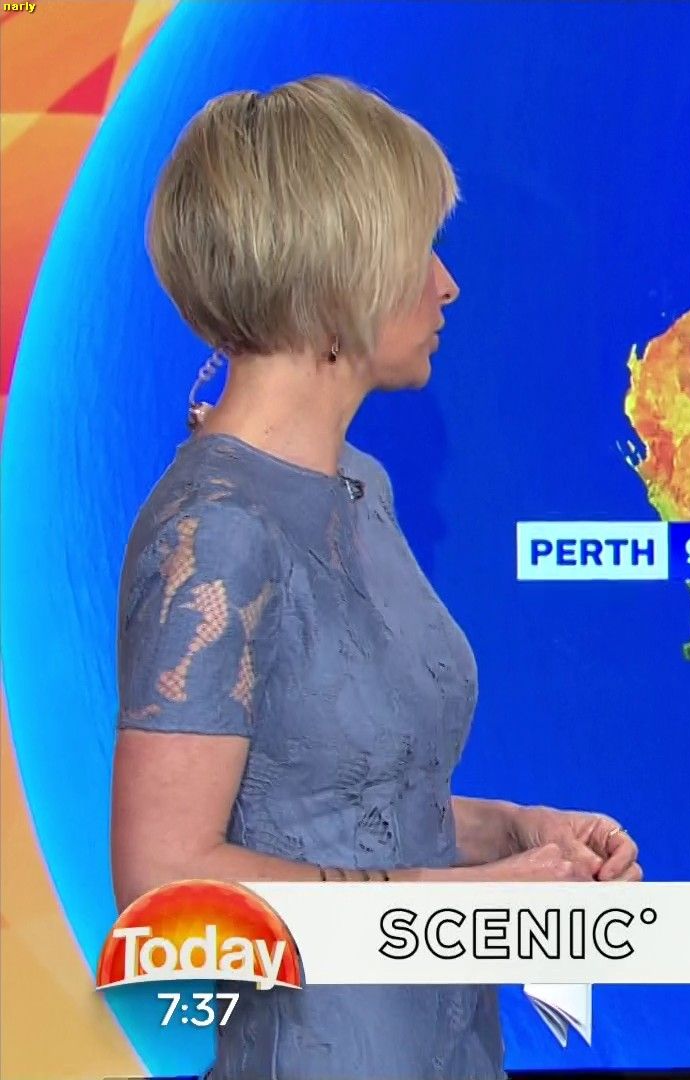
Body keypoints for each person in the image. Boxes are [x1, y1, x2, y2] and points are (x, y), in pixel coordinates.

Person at [110, 75, 637, 1080]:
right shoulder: (216, 534)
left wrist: (515, 837)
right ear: (335, 278)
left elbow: (337, 807)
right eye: (418, 251)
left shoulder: (362, 488)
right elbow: (164, 886)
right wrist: (467, 908)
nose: (448, 284)